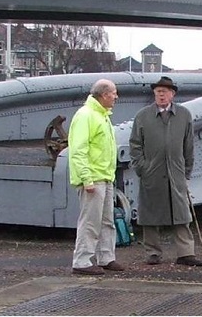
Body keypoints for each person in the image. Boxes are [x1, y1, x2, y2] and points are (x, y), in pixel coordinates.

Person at [129, 76, 202, 267]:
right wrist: (142, 167)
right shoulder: (143, 116)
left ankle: (185, 253)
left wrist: (186, 171)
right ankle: (153, 252)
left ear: (172, 94)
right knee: (150, 213)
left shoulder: (184, 115)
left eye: (165, 92)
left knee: (181, 212)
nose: (161, 95)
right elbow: (135, 145)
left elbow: (189, 146)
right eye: (158, 92)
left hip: (176, 171)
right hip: (151, 172)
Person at [68, 79, 126, 275]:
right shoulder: (86, 116)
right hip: (93, 178)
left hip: (105, 176)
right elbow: (78, 149)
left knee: (106, 221)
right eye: (113, 93)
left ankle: (106, 256)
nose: (116, 97)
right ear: (104, 95)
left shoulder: (101, 115)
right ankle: (82, 260)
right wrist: (87, 178)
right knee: (91, 221)